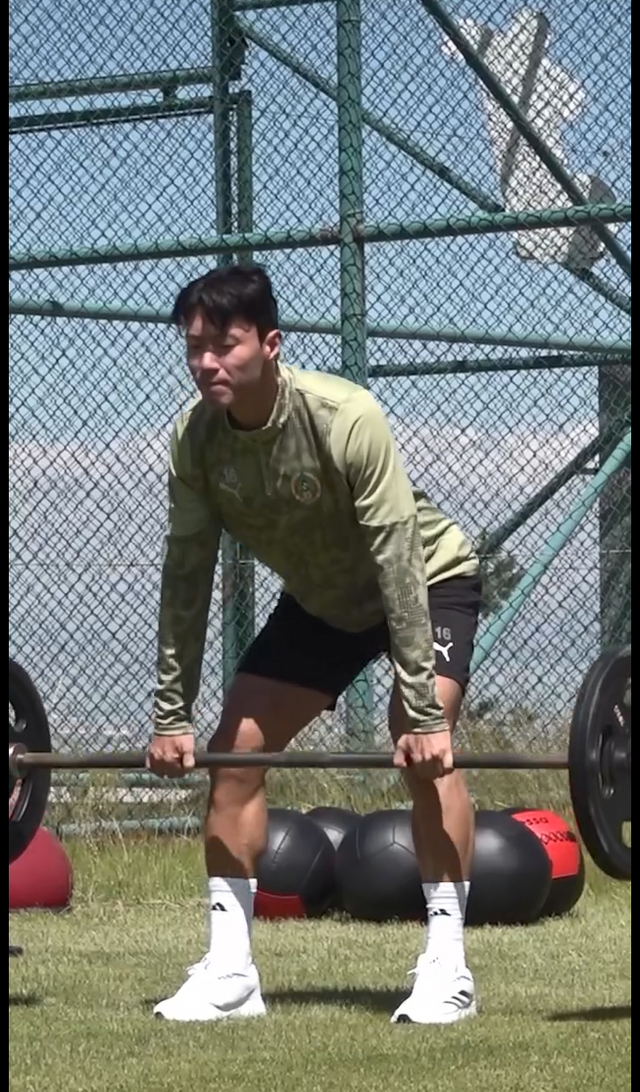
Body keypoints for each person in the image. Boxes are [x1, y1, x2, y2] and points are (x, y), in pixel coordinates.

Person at [147, 263, 483, 1025]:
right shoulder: (195, 440)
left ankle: (448, 967)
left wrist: (422, 712)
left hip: (426, 580)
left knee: (419, 744)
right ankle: (231, 973)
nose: (206, 362)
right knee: (234, 755)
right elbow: (187, 576)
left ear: (270, 344)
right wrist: (171, 714)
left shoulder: (344, 415)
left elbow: (397, 561)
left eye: (224, 345)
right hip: (323, 603)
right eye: (195, 347)